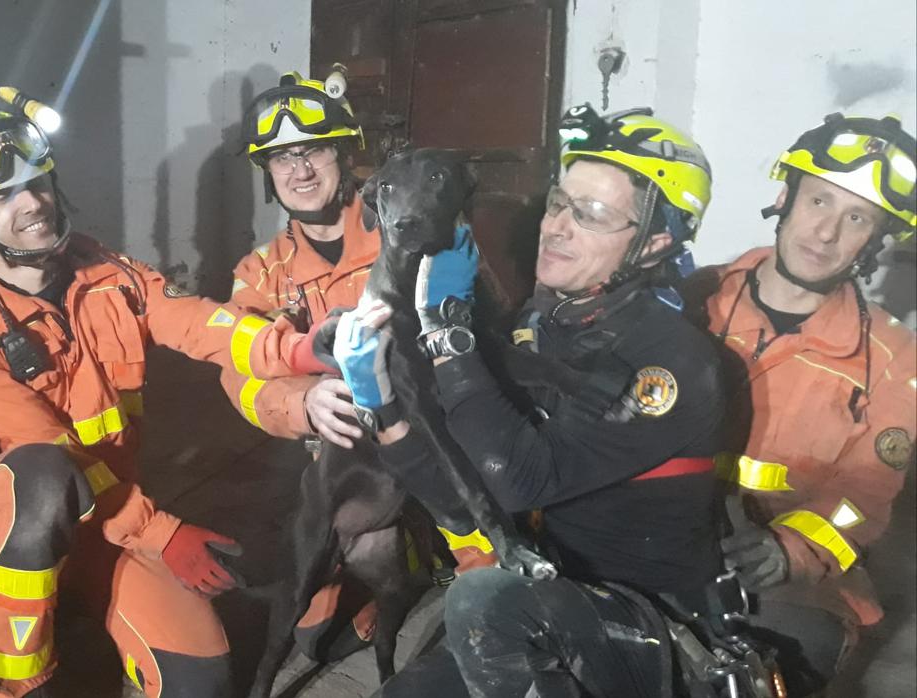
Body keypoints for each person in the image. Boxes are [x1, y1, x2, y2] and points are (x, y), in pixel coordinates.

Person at [330, 105, 729, 696]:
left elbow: (517, 480)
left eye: (591, 214)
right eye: (560, 202)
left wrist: (447, 331)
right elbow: (468, 501)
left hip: (646, 619)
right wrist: (383, 407)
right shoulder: (544, 323)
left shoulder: (670, 362)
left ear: (655, 243)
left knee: (481, 597)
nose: (557, 227)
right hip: (537, 594)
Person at [0, 102, 310, 697]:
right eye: (4, 197)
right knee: (39, 476)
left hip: (110, 531)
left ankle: (87, 607)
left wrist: (300, 352)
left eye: (36, 182)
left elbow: (200, 323)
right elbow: (51, 453)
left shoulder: (109, 274)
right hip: (11, 552)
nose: (32, 204)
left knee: (199, 682)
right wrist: (162, 533)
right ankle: (13, 683)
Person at [682, 113, 917, 696]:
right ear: (785, 196)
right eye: (819, 202)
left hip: (790, 584)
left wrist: (793, 549)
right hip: (661, 530)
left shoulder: (893, 358)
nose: (826, 234)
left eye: (856, 218)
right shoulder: (689, 299)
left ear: (875, 240)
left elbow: (862, 498)